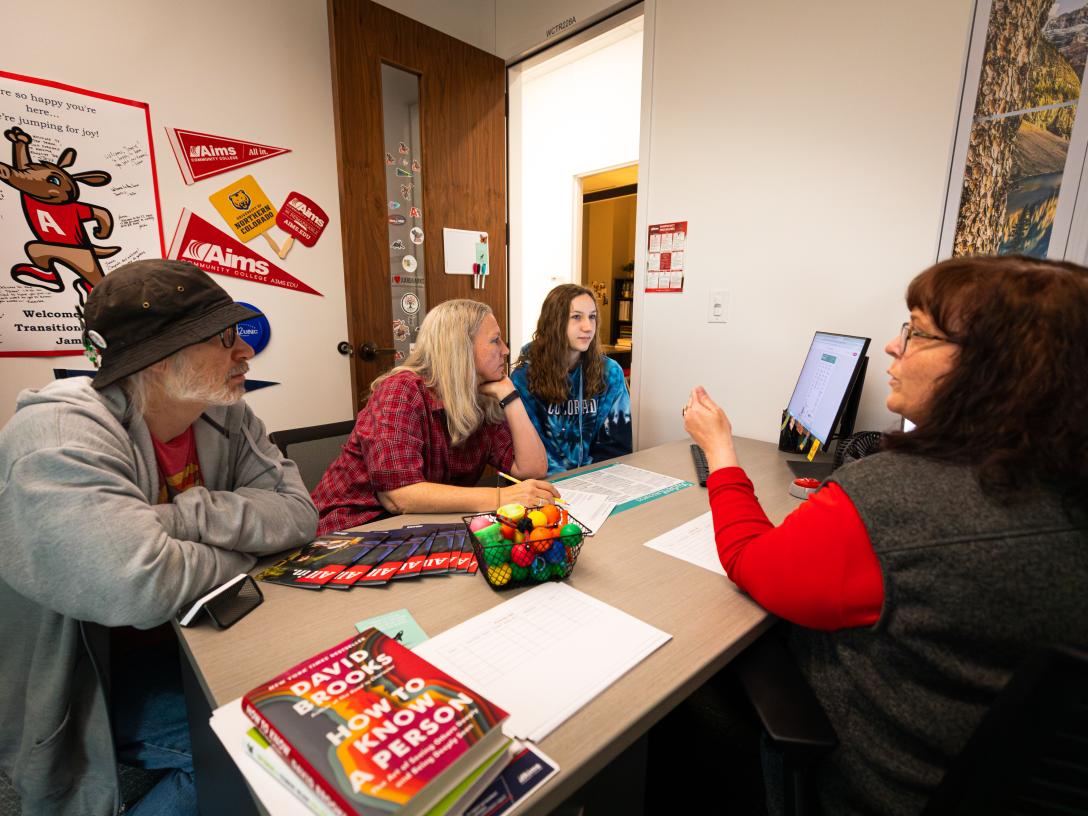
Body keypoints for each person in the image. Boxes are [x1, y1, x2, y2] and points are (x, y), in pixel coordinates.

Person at [682, 255, 1088, 814]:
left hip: (861, 787)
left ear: (993, 366)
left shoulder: (892, 501)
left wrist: (719, 449)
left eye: (917, 332)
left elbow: (750, 559)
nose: (895, 347)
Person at [0, 260, 318, 816]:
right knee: (258, 753)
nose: (246, 351)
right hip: (90, 687)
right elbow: (137, 585)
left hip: (195, 638)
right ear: (158, 357)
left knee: (310, 710)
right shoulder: (57, 435)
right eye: (225, 338)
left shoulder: (228, 414)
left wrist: (174, 520)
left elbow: (297, 513)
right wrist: (242, 554)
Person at [312, 298, 554, 534]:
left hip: (419, 526)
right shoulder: (401, 390)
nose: (506, 350)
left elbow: (532, 469)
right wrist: (501, 497)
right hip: (351, 528)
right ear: (460, 349)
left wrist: (510, 396)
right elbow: (399, 497)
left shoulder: (481, 396)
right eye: (495, 340)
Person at [511, 284, 632, 473]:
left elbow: (618, 448)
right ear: (554, 322)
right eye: (576, 317)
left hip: (599, 479)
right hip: (543, 482)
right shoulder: (523, 378)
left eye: (592, 317)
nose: (588, 327)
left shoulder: (610, 373)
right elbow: (529, 453)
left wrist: (590, 481)